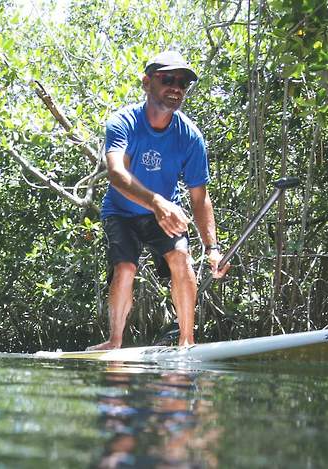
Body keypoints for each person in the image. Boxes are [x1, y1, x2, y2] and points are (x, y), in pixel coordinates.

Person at [87, 50, 229, 351]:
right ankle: (114, 342)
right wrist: (157, 202)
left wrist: (212, 248)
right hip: (121, 211)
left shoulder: (190, 136)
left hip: (162, 214)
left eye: (183, 82)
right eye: (168, 79)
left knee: (180, 259)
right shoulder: (123, 122)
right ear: (147, 82)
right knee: (125, 268)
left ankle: (186, 342)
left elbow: (199, 198)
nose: (177, 87)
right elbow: (116, 173)